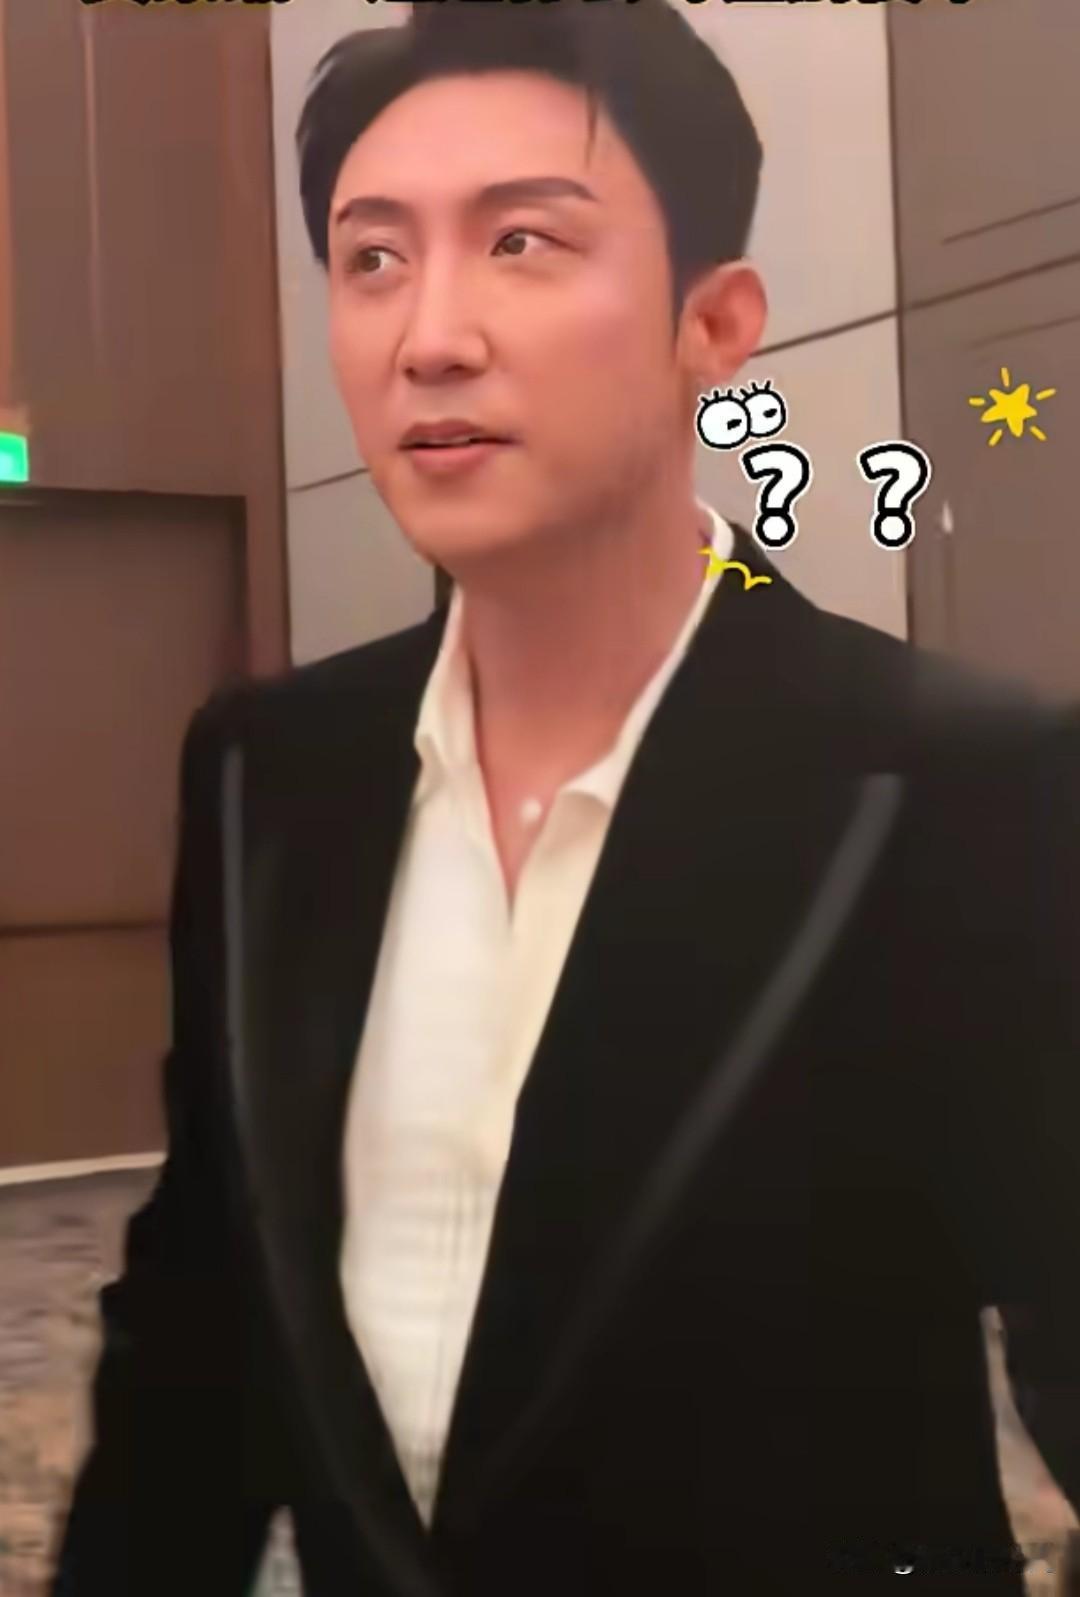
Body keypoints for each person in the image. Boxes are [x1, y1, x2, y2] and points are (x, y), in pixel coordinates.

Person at [51, 2, 1080, 1593]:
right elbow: (202, 1315)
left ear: (714, 321)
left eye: (521, 242)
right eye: (372, 258)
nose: (429, 336)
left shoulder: (956, 783)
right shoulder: (271, 768)